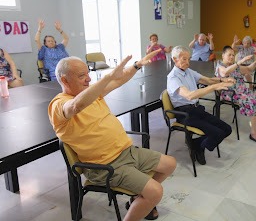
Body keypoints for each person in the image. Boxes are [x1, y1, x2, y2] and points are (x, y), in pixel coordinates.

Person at [48, 49, 176, 221]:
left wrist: (136, 65)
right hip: (105, 166)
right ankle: (142, 200)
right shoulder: (58, 104)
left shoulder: (92, 93)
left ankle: (137, 199)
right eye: (81, 76)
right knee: (155, 192)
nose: (88, 79)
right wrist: (108, 77)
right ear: (64, 80)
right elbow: (75, 107)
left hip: (127, 152)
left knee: (170, 164)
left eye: (88, 73)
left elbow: (119, 80)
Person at [167, 45, 234, 165]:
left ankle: (196, 144)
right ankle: (198, 147)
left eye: (189, 59)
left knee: (227, 129)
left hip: (197, 110)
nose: (187, 62)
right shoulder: (173, 78)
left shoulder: (188, 71)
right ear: (174, 59)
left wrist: (223, 80)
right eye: (184, 59)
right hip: (185, 114)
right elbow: (189, 96)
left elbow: (206, 80)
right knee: (217, 133)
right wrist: (213, 87)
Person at [216, 46, 256, 144]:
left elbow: (248, 69)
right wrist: (239, 62)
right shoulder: (220, 66)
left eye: (233, 55)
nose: (231, 57)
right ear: (223, 55)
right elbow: (225, 72)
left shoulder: (235, 66)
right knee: (253, 102)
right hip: (230, 93)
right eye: (229, 55)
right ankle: (253, 132)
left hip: (242, 91)